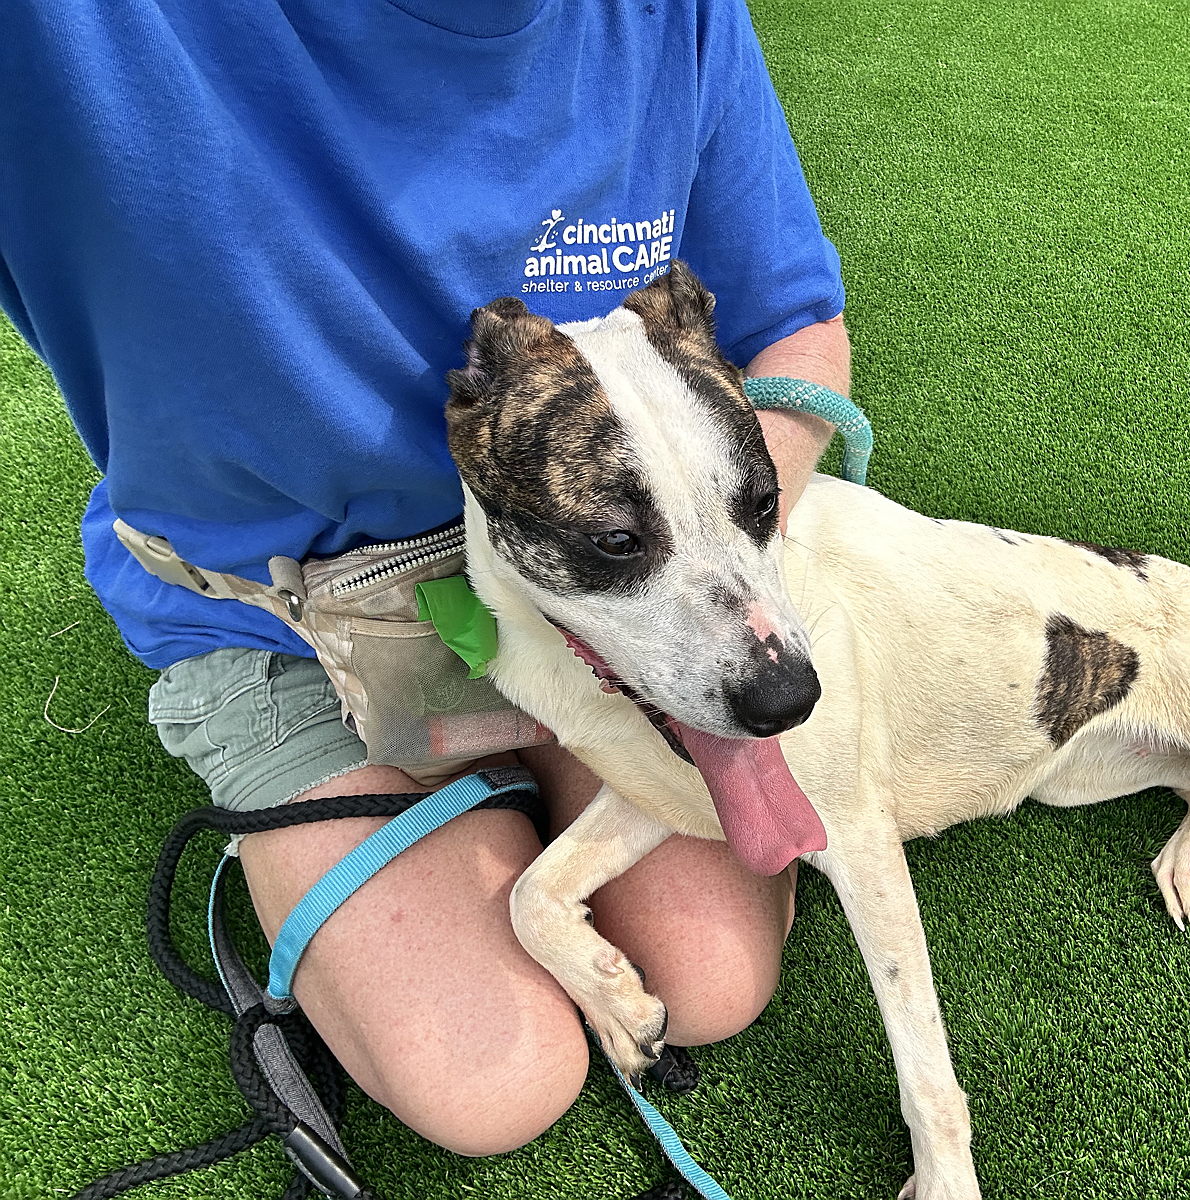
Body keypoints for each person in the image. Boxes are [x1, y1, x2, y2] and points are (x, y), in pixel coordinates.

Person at [1, 0, 850, 1154]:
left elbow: (796, 326)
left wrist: (708, 558)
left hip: (584, 600)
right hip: (286, 617)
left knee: (712, 979)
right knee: (493, 1083)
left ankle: (506, 771)